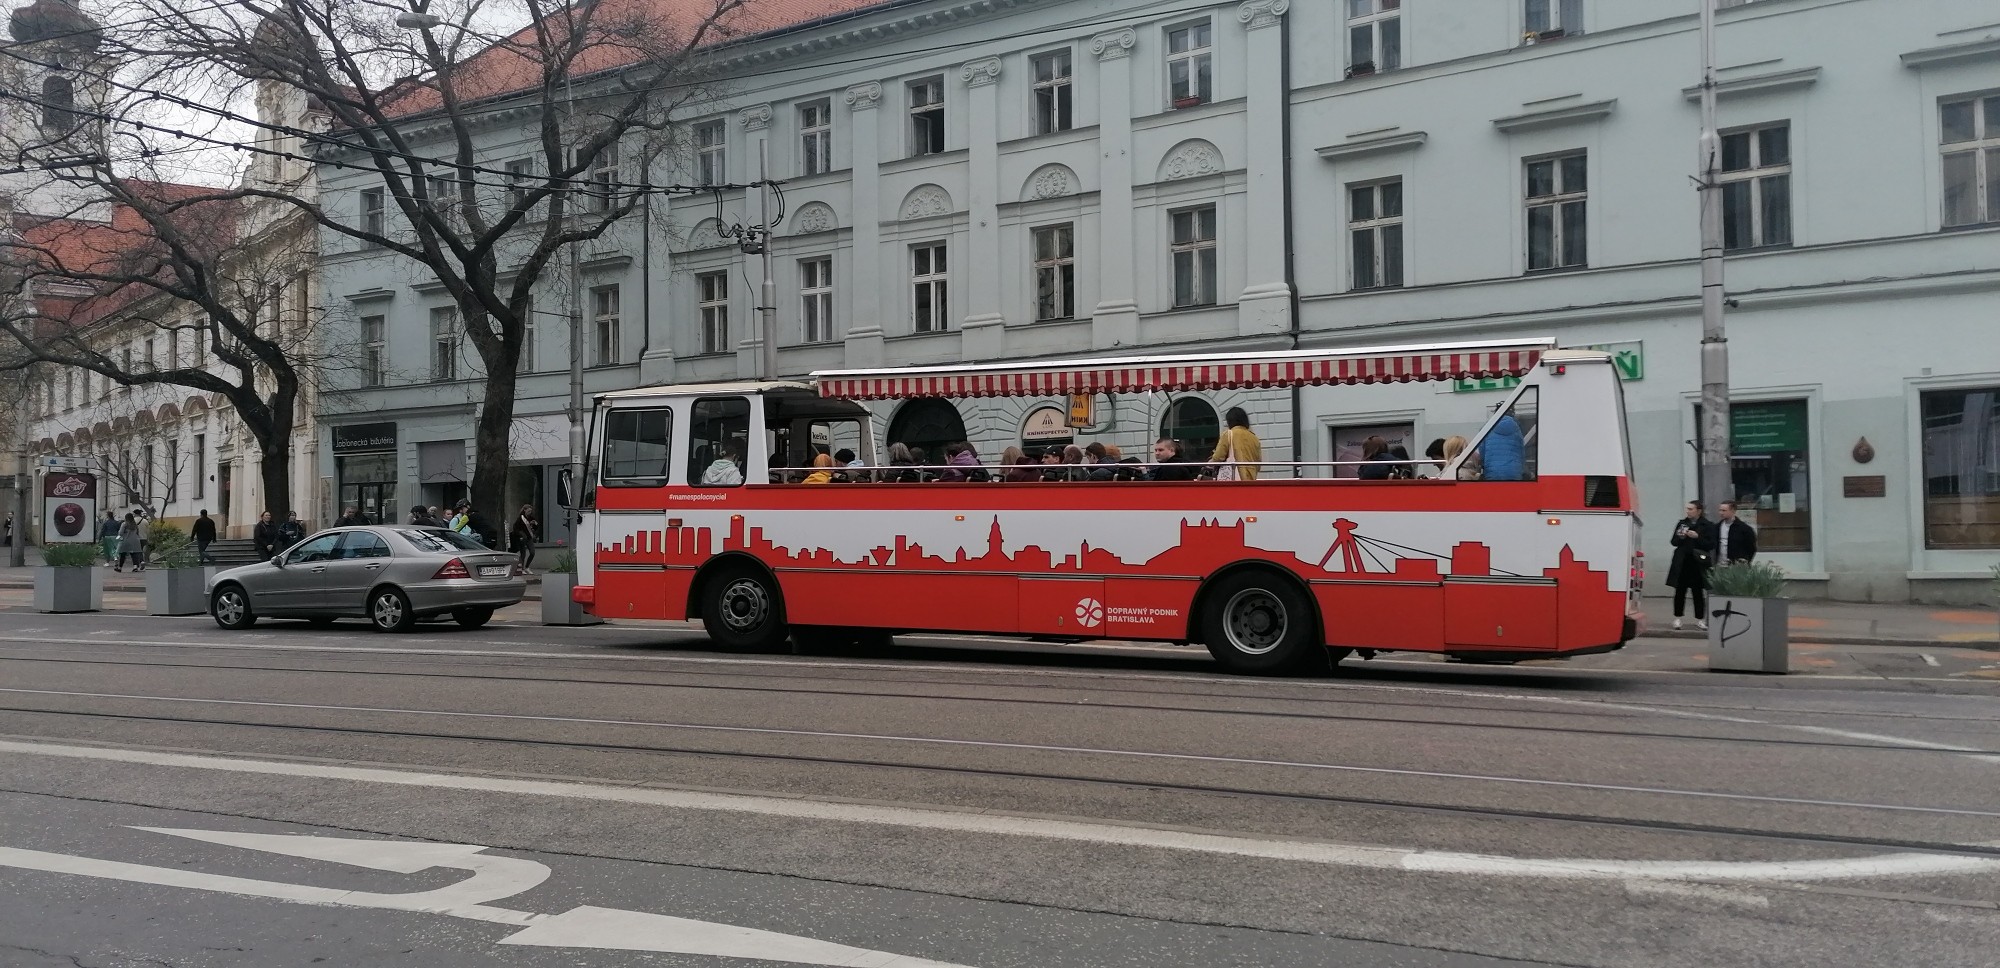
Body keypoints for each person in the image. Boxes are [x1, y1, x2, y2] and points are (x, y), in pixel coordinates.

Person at [1667, 501, 1716, 631]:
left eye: (1691, 509)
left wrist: (1697, 537)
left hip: (1698, 562)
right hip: (1683, 561)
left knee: (1698, 592)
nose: (1688, 511)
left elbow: (1710, 544)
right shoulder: (1682, 523)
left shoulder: (1707, 525)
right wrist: (1681, 536)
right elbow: (1673, 542)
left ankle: (1700, 619)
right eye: (1687, 509)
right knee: (1680, 591)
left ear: (1698, 511)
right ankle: (1677, 618)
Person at [1207, 407, 1262, 481]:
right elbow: (1258, 463)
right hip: (1251, 479)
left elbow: (1218, 457)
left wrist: (1209, 464)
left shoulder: (1229, 434)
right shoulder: (1254, 438)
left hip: (1234, 479)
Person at [1479, 414, 1526, 482]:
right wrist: (1521, 469)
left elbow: (1482, 451)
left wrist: (1484, 466)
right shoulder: (1517, 429)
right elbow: (1522, 452)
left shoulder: (1488, 429)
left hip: (1493, 472)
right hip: (1514, 472)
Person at [510, 504, 540, 571]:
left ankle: (527, 567)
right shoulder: (520, 518)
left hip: (529, 538)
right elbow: (515, 528)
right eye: (528, 511)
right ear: (524, 510)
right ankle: (522, 568)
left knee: (532, 552)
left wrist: (535, 524)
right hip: (522, 538)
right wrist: (520, 535)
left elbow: (535, 528)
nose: (530, 513)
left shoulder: (531, 518)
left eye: (530, 511)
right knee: (523, 554)